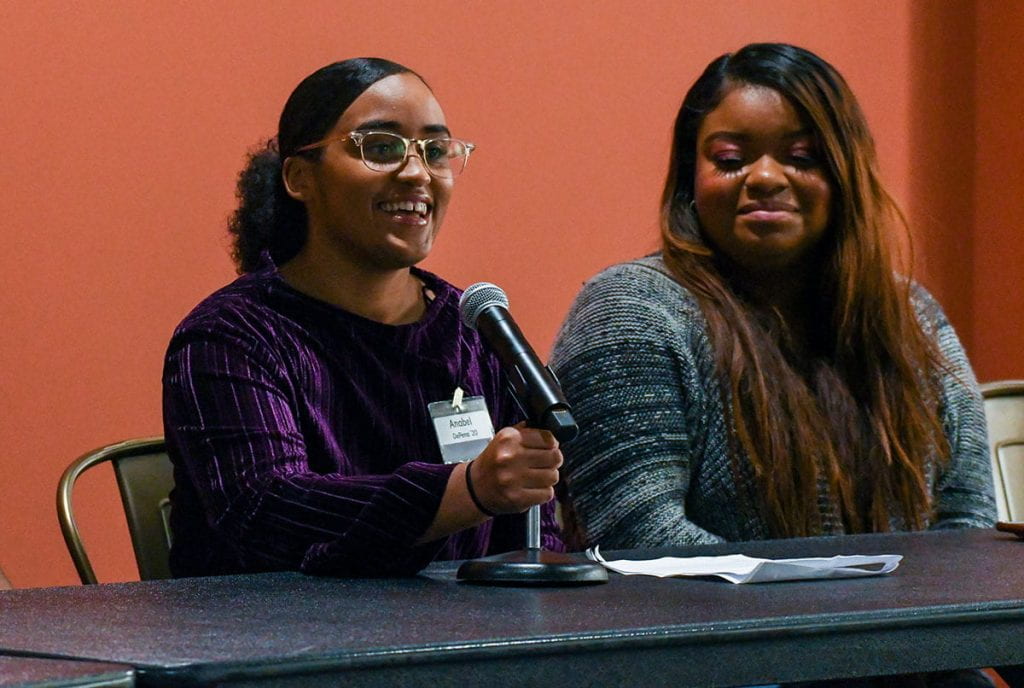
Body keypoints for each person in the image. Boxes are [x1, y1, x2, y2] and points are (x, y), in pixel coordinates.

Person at [550, 43, 996, 686]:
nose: (763, 177)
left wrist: (892, 644)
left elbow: (965, 529)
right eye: (731, 159)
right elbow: (642, 539)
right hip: (709, 660)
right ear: (689, 176)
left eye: (802, 157)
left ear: (847, 174)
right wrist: (843, 627)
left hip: (899, 654)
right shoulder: (630, 309)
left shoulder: (910, 316)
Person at [163, 58, 563, 578]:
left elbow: (533, 533)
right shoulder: (230, 337)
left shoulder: (473, 328)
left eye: (436, 151)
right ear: (299, 177)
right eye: (381, 148)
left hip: (466, 641)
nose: (417, 173)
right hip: (281, 643)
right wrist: (465, 490)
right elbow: (268, 511)